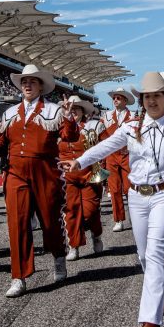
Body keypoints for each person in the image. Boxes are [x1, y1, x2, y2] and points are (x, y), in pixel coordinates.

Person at [60, 72, 164, 327]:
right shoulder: (131, 128)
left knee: (157, 251)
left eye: (157, 96)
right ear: (142, 100)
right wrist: (80, 161)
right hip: (136, 195)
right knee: (144, 255)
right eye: (147, 96)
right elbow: (105, 146)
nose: (152, 101)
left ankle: (150, 317)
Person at [0, 64, 68, 298]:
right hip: (16, 172)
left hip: (45, 172)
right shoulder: (10, 113)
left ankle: (58, 255)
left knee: (50, 222)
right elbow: (2, 148)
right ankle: (18, 276)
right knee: (17, 223)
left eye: (32, 81)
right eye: (24, 82)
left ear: (41, 85)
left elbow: (70, 137)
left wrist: (70, 117)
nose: (27, 85)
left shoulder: (54, 110)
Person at [58, 95, 105, 261]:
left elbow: (105, 146)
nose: (73, 112)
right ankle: (74, 245)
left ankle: (96, 234)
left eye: (76, 109)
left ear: (83, 111)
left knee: (90, 212)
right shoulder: (59, 128)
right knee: (70, 212)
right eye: (70, 109)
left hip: (88, 175)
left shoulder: (92, 126)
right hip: (67, 177)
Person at [102, 87, 135, 231]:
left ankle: (135, 217)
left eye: (119, 98)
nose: (115, 100)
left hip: (128, 155)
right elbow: (102, 136)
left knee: (129, 188)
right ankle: (119, 220)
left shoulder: (134, 115)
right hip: (111, 155)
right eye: (114, 98)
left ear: (125, 100)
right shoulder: (107, 116)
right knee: (114, 189)